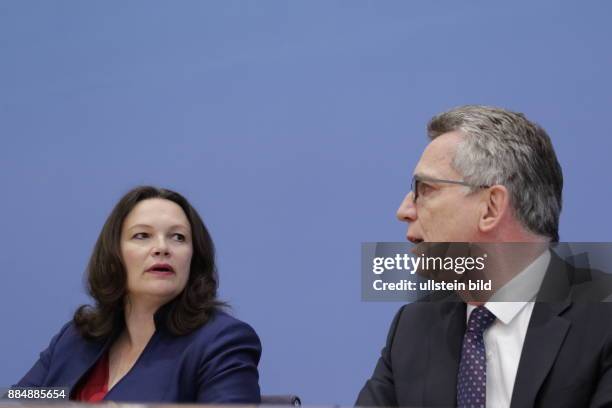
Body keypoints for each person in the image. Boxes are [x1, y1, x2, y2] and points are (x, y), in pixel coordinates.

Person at [356, 106, 612, 407]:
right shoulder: (414, 327)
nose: (404, 211)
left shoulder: (602, 320)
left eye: (425, 189)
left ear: (491, 207)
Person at [15, 186, 261, 403]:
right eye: (142, 235)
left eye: (178, 237)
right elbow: (20, 398)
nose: (162, 248)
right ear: (114, 256)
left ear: (193, 258)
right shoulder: (76, 339)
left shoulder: (220, 342)